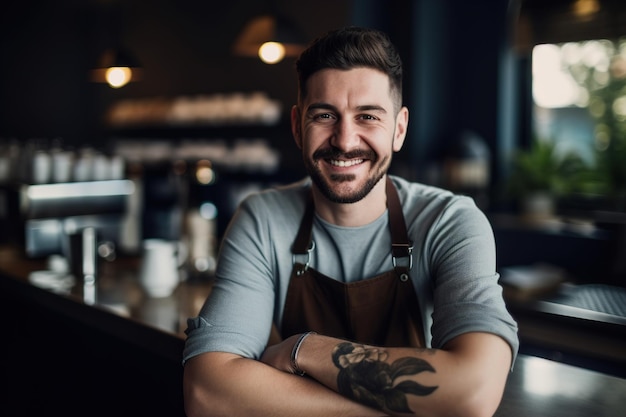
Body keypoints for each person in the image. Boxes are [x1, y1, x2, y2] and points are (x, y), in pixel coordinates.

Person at [182, 26, 519, 417]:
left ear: (399, 129)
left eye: (368, 116)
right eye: (325, 115)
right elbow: (206, 393)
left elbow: (473, 393)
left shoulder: (450, 221)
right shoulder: (263, 218)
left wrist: (302, 348)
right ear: (297, 127)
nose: (344, 140)